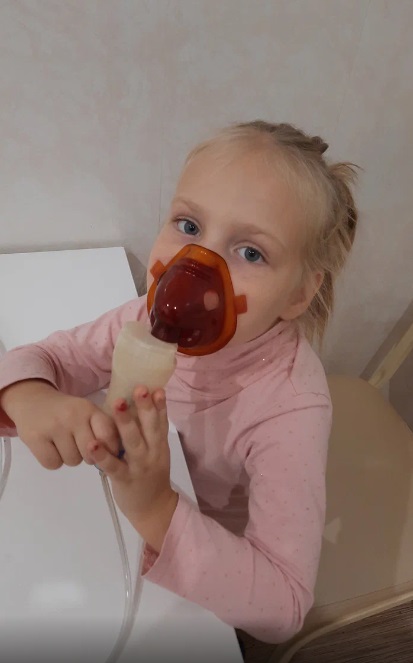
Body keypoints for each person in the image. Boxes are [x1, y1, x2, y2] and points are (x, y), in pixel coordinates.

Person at [0, 121, 358, 645]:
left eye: (250, 252)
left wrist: (156, 508)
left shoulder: (289, 409)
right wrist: (28, 395)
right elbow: (51, 357)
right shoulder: (143, 317)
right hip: (107, 529)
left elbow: (284, 606)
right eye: (189, 225)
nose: (195, 269)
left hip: (201, 562)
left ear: (299, 293)